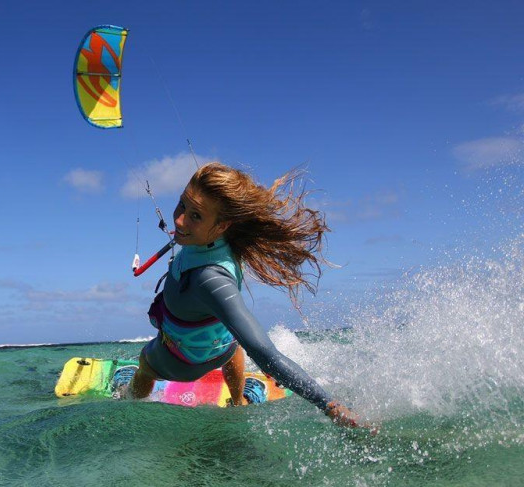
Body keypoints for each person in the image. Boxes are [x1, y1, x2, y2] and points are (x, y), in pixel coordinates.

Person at [127, 162, 366, 428]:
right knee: (233, 342)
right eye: (182, 205)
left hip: (182, 363)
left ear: (221, 226)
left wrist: (329, 406)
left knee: (145, 361)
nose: (180, 220)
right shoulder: (219, 240)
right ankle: (237, 400)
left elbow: (265, 352)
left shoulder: (210, 279)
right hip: (225, 350)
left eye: (196, 216)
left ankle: (129, 400)